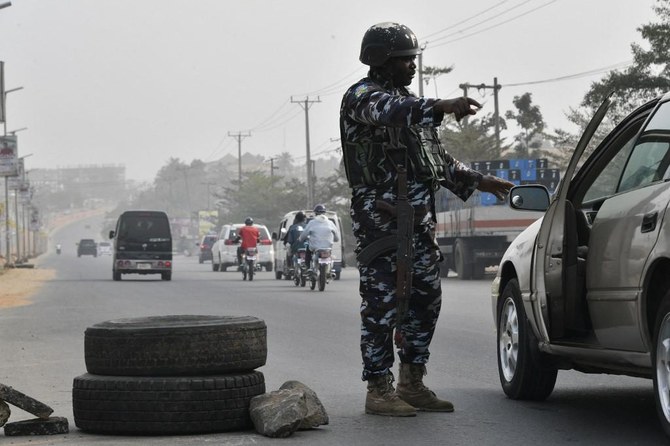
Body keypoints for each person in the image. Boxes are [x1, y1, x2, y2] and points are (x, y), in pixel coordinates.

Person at [340, 22, 514, 417]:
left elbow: (436, 160)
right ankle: (378, 388)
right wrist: (440, 106)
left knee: (425, 299)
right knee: (382, 304)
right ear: (381, 60)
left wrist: (481, 181)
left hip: (418, 222)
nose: (412, 66)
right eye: (404, 60)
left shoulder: (410, 103)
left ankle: (412, 382)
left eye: (412, 59)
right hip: (381, 220)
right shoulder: (362, 97)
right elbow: (391, 112)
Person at [298, 204, 339, 271]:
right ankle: (330, 269)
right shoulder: (330, 223)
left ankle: (307, 267)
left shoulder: (312, 223)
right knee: (330, 255)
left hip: (315, 248)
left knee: (308, 249)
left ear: (315, 213)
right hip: (327, 248)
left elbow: (304, 235)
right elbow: (337, 238)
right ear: (324, 213)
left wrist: (300, 239)